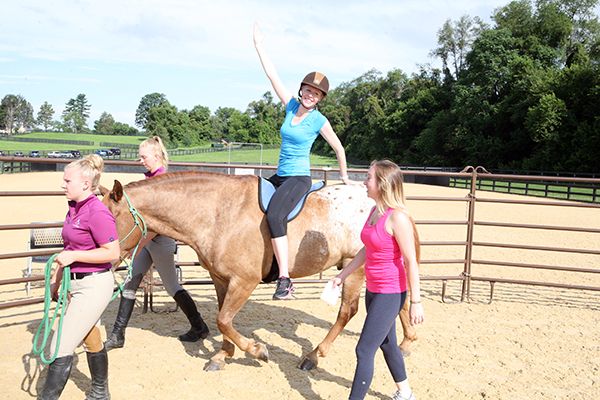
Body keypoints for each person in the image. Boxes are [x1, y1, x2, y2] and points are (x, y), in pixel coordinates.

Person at [253, 22, 362, 300]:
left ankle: (285, 279)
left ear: (320, 98)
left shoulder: (318, 120)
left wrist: (346, 177)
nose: (310, 95)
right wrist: (259, 46)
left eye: (316, 93)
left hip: (298, 178)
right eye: (307, 90)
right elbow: (272, 75)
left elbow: (338, 147)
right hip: (278, 175)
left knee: (277, 216)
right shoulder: (290, 106)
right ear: (301, 90)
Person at [330, 160, 425, 400]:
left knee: (363, 349)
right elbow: (366, 249)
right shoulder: (375, 212)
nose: (364, 182)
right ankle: (406, 393)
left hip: (391, 292)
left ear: (382, 184)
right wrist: (343, 274)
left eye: (369, 178)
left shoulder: (398, 218)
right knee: (388, 344)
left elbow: (411, 261)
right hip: (373, 290)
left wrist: (416, 302)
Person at [104, 136, 209, 351]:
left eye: (144, 157)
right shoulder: (150, 179)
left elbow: (156, 222)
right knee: (130, 283)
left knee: (172, 287)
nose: (141, 160)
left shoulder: (163, 180)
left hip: (159, 241)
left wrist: (137, 246)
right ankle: (117, 336)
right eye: (140, 157)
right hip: (147, 241)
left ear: (156, 155)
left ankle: (199, 326)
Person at [41, 154, 120, 400]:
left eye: (67, 181)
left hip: (94, 283)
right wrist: (57, 277)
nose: (63, 185)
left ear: (85, 184)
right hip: (75, 282)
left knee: (58, 348)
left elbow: (113, 252)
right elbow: (69, 248)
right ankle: (100, 393)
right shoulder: (74, 209)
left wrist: (73, 260)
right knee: (91, 336)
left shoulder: (97, 211)